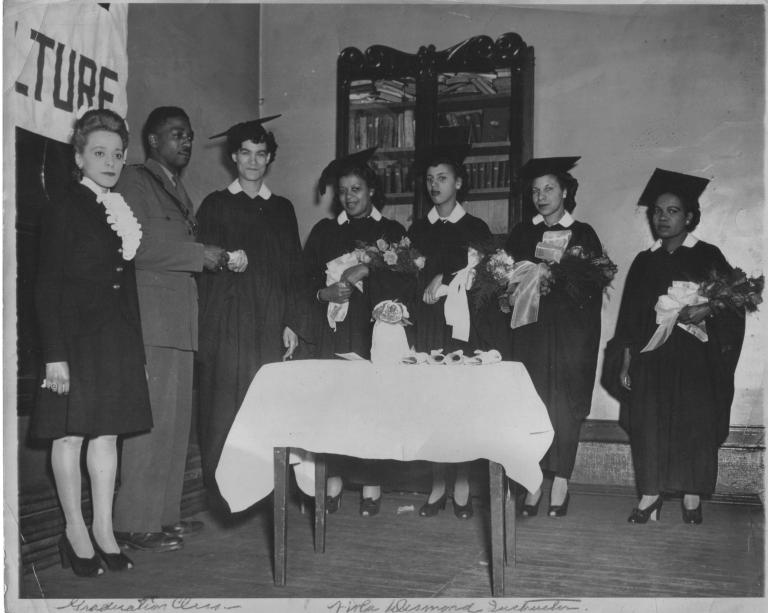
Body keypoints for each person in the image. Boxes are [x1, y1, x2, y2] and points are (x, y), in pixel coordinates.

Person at [33, 109, 151, 576]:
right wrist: (54, 355)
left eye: (117, 155)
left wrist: (138, 353)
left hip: (115, 341)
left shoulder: (118, 208)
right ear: (79, 157)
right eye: (99, 153)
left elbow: (129, 287)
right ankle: (74, 532)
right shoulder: (64, 207)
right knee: (70, 434)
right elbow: (45, 286)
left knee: (107, 433)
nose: (109, 162)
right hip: (74, 341)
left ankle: (104, 529)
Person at [113, 107, 226, 552]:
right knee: (151, 424)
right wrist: (199, 254)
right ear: (153, 140)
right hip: (153, 320)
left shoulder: (177, 189)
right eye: (177, 134)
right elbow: (135, 248)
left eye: (190, 136)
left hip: (179, 320)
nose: (186, 142)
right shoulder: (134, 181)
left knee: (176, 425)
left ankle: (163, 517)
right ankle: (134, 523)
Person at [613, 169, 745, 525]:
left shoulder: (707, 255)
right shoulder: (645, 261)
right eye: (657, 211)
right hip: (652, 358)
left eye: (672, 211)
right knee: (649, 424)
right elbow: (628, 320)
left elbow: (733, 302)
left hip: (694, 360)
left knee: (694, 423)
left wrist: (709, 308)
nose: (662, 218)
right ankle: (651, 493)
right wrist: (625, 361)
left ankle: (690, 494)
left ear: (688, 216)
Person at [196, 116, 307, 501]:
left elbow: (294, 269)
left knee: (266, 402)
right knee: (225, 403)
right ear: (233, 157)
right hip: (229, 320)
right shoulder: (215, 204)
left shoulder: (282, 208)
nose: (253, 161)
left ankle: (264, 492)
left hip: (270, 320)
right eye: (246, 153)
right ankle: (222, 492)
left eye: (261, 154)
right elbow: (204, 268)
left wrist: (291, 320)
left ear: (270, 158)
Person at [303, 148, 412, 517]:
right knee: (335, 406)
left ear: (372, 191)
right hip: (335, 331)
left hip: (376, 331)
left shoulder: (392, 231)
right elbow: (301, 282)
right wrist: (324, 293)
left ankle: (371, 484)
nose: (350, 197)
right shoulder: (324, 232)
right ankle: (332, 481)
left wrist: (369, 271)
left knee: (373, 408)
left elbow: (408, 282)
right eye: (344, 191)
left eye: (357, 189)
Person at [408, 145, 504, 520]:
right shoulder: (418, 228)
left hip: (462, 330)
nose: (435, 185)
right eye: (430, 179)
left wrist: (445, 278)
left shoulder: (475, 228)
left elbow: (485, 280)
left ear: (459, 183)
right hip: (428, 325)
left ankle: (461, 486)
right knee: (432, 404)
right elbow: (408, 276)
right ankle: (436, 486)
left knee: (460, 405)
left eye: (442, 178)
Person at [505, 157, 603, 518]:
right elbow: (504, 281)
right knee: (532, 402)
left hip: (568, 337)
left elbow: (593, 288)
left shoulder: (583, 234)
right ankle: (533, 482)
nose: (541, 196)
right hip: (530, 336)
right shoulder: (522, 234)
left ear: (565, 191)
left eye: (548, 188)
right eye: (535, 190)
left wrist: (555, 280)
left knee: (563, 405)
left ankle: (561, 479)